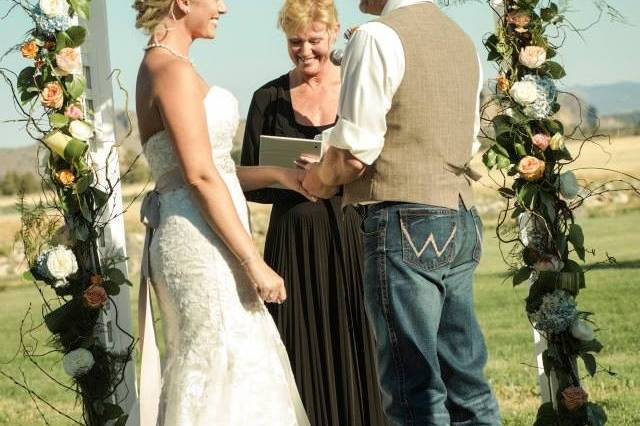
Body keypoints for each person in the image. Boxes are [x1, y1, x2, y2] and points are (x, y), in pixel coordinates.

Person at [302, 0, 501, 424]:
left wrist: (318, 180)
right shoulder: (462, 41)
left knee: (413, 390)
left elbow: (355, 152)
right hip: (459, 214)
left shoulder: (376, 37)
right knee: (468, 384)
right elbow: (467, 147)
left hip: (405, 219)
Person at [133, 0, 310, 424]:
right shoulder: (170, 71)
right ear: (183, 2)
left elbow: (216, 169)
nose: (224, 8)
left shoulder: (166, 65)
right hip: (202, 245)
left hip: (203, 232)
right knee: (224, 358)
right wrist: (254, 262)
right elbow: (199, 176)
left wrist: (279, 175)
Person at [240, 1, 385, 425]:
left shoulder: (359, 92)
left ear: (336, 32)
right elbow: (243, 176)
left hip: (358, 236)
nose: (304, 51)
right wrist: (283, 175)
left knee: (367, 345)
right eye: (294, 42)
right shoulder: (267, 99)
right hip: (295, 246)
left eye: (314, 41)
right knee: (301, 351)